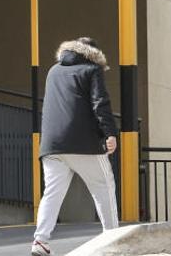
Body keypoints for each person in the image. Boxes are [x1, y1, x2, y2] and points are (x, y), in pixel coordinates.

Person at [31, 37, 119, 256]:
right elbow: (100, 103)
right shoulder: (92, 70)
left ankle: (40, 241)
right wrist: (109, 133)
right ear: (93, 53)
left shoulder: (53, 71)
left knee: (52, 193)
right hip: (83, 143)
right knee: (103, 186)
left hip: (51, 145)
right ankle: (113, 238)